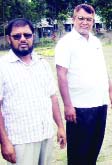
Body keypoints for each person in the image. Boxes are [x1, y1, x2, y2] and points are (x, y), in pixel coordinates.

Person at [54, 4, 112, 164]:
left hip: (99, 103)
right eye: (81, 18)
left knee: (93, 148)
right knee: (78, 153)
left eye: (89, 19)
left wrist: (110, 90)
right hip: (79, 107)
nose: (85, 22)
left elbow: (102, 68)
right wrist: (68, 105)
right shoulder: (65, 43)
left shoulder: (95, 41)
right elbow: (61, 75)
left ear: (93, 21)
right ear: (73, 19)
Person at [0, 18, 66, 165]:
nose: (23, 39)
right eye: (17, 36)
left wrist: (60, 127)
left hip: (45, 135)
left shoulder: (42, 64)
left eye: (27, 35)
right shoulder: (2, 67)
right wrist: (4, 142)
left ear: (33, 36)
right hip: (20, 141)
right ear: (8, 39)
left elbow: (52, 98)